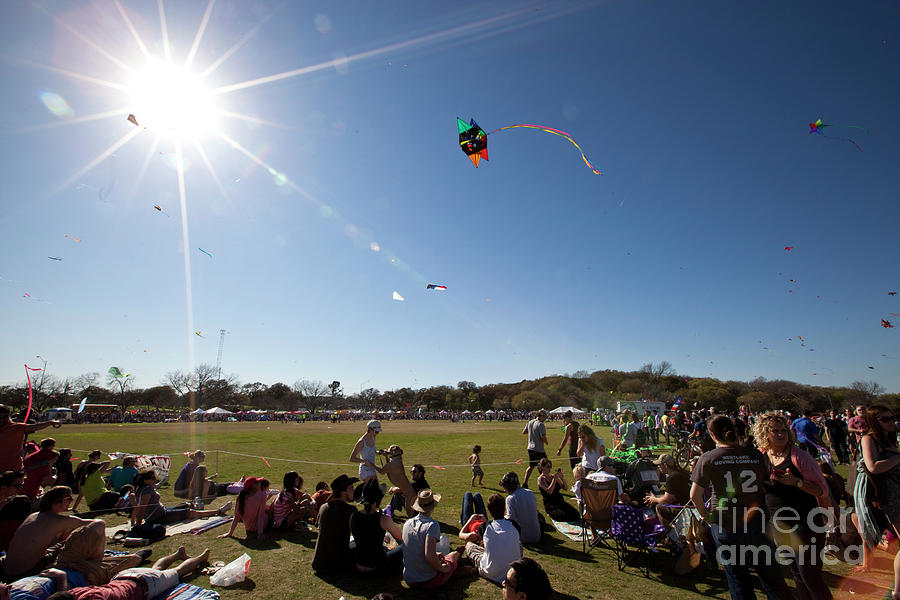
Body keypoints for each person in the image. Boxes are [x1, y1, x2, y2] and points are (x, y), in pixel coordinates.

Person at [689, 415, 793, 600]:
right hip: (757, 522)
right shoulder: (755, 455)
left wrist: (706, 516)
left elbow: (694, 495)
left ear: (713, 435)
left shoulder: (709, 458)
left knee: (739, 580)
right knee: (772, 578)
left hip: (726, 524)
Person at [755, 411, 831, 600]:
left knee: (810, 576)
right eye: (775, 431)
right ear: (765, 434)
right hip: (780, 525)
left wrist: (796, 482)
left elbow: (821, 490)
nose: (781, 435)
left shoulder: (800, 457)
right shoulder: (762, 457)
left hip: (806, 523)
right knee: (796, 574)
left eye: (784, 431)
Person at [1, 486, 104, 580]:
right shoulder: (59, 520)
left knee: (66, 534)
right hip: (27, 572)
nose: (71, 501)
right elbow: (99, 523)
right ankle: (97, 561)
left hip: (7, 570)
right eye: (68, 499)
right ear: (56, 502)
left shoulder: (33, 516)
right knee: (99, 526)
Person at [42, 546, 210, 600]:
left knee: (178, 572)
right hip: (125, 576)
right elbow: (61, 593)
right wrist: (60, 576)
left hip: (145, 584)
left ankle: (201, 556)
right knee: (155, 571)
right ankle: (177, 554)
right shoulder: (75, 593)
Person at [857, 405, 900, 599]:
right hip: (890, 497)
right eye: (885, 419)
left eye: (892, 417)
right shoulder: (869, 439)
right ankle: (897, 591)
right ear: (874, 421)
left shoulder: (890, 440)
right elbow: (872, 466)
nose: (891, 421)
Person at [402, 489, 460, 587]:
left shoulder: (408, 523)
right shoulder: (432, 525)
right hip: (426, 579)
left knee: (443, 557)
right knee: (454, 555)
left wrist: (435, 555)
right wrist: (443, 568)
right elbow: (429, 557)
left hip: (409, 577)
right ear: (433, 506)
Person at [131, 470, 228, 528]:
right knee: (188, 513)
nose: (154, 480)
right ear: (145, 481)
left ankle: (197, 507)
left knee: (184, 505)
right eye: (152, 478)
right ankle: (218, 511)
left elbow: (156, 487)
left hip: (161, 511)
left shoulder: (144, 488)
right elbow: (141, 508)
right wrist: (138, 525)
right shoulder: (147, 490)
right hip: (158, 517)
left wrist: (133, 521)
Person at [464, 493, 522, 584]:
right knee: (518, 544)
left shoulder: (485, 527)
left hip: (490, 572)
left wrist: (471, 520)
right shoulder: (515, 525)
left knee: (469, 545)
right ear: (504, 509)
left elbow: (462, 535)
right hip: (513, 571)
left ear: (490, 511)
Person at [350, 479, 403, 575]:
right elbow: (400, 537)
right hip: (378, 566)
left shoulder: (353, 516)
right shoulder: (384, 519)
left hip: (357, 564)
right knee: (403, 547)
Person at [311, 474, 358, 575]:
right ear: (343, 492)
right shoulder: (350, 510)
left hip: (319, 562)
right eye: (351, 488)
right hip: (337, 564)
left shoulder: (323, 507)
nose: (354, 491)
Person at [0, 405, 60, 473]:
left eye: (5, 417)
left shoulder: (16, 427)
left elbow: (34, 427)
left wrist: (50, 422)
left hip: (13, 469)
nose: (2, 420)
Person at [643, 454, 691, 527]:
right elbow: (673, 496)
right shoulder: (682, 473)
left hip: (684, 510)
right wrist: (655, 497)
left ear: (665, 465)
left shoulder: (672, 477)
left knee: (659, 507)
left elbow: (667, 500)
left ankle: (669, 533)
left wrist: (654, 499)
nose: (658, 467)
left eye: (659, 465)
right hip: (690, 507)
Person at [500, 472, 541, 544]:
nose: (504, 490)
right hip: (537, 535)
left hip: (523, 538)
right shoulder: (530, 492)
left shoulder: (510, 499)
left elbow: (510, 520)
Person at [380, 445, 416, 516]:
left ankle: (389, 512)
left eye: (414, 472)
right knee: (396, 495)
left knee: (397, 493)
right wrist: (386, 456)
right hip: (406, 494)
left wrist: (393, 489)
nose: (411, 473)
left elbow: (383, 471)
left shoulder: (418, 483)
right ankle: (389, 511)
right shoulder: (396, 460)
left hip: (412, 500)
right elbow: (389, 467)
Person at [0, 472, 29, 553]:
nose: (21, 488)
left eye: (22, 485)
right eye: (18, 486)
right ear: (4, 487)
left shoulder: (8, 502)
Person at [522, 411, 548, 489]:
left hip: (530, 448)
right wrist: (546, 442)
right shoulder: (540, 424)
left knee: (531, 466)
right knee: (544, 465)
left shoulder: (530, 422)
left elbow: (524, 432)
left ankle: (525, 483)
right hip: (538, 449)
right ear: (540, 416)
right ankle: (545, 483)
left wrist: (532, 432)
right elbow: (543, 436)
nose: (545, 418)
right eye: (544, 417)